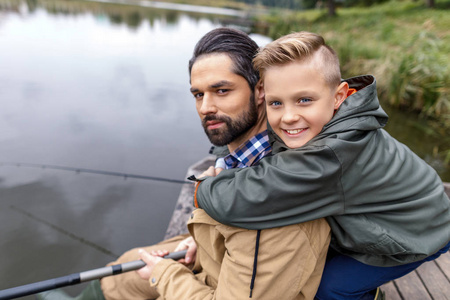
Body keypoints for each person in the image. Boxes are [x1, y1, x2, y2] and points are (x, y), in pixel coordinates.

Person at [38, 28, 331, 300]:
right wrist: (204, 237)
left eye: (222, 91)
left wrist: (163, 275)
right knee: (130, 262)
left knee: (145, 269)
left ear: (260, 91)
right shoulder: (254, 153)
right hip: (222, 257)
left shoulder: (277, 195)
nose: (205, 108)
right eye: (198, 94)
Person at [192, 31, 450, 300]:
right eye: (276, 103)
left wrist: (202, 189)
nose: (289, 117)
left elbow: (246, 198)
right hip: (393, 208)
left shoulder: (331, 154)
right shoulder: (326, 121)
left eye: (304, 100)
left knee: (330, 288)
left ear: (339, 96)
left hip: (418, 230)